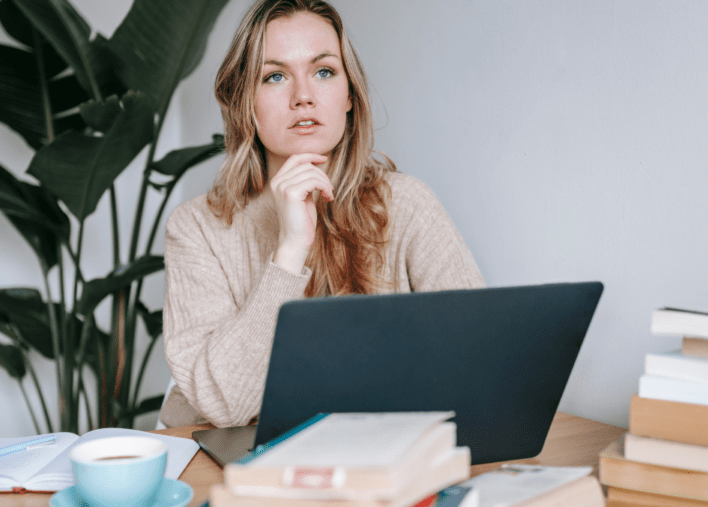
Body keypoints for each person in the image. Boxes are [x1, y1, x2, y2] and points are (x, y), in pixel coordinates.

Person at [160, 0, 484, 428]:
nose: (304, 97)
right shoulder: (197, 227)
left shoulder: (407, 204)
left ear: (349, 94)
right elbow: (225, 405)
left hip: (380, 457)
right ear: (245, 102)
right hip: (246, 467)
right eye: (275, 76)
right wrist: (290, 251)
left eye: (324, 71)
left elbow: (480, 360)